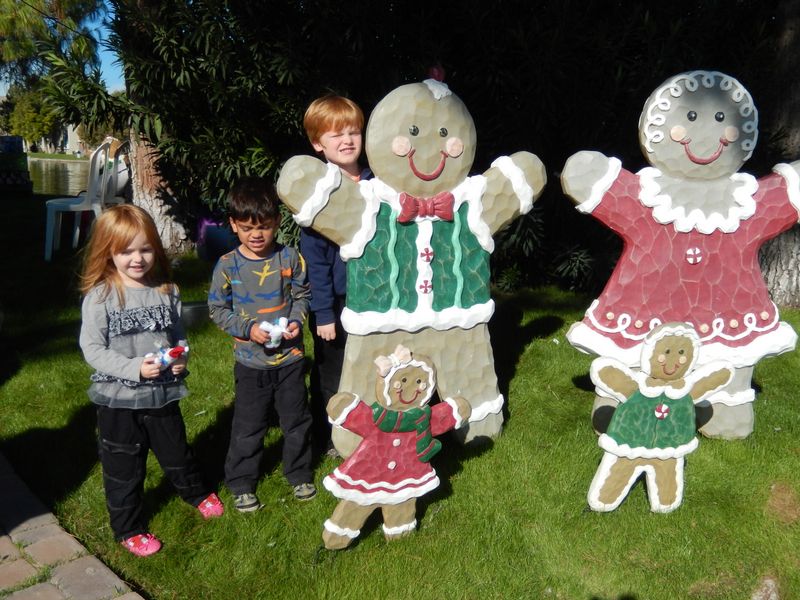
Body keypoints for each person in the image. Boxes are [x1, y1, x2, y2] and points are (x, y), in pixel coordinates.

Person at [79, 205, 223, 558]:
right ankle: (128, 528)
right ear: (107, 251)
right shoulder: (101, 297)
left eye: (145, 249)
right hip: (118, 400)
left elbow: (177, 337)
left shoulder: (166, 291)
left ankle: (195, 492)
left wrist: (180, 359)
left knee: (176, 450)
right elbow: (92, 349)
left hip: (161, 394)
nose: (137, 258)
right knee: (123, 467)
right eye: (126, 251)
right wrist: (133, 369)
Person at [208, 176, 316, 511]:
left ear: (277, 223)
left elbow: (302, 295)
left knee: (296, 421)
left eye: (265, 227)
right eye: (248, 227)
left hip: (290, 361)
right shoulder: (227, 265)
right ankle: (241, 482)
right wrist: (247, 328)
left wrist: (297, 320)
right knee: (248, 427)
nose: (257, 234)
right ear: (233, 225)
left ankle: (299, 474)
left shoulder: (290, 258)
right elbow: (216, 308)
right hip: (250, 363)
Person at [301, 95, 370, 456]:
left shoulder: (380, 182)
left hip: (375, 296)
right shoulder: (318, 196)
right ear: (317, 144)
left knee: (373, 365)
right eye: (335, 135)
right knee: (334, 371)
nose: (346, 141)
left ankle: (374, 428)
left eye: (353, 132)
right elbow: (316, 264)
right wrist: (324, 313)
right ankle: (331, 434)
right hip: (338, 303)